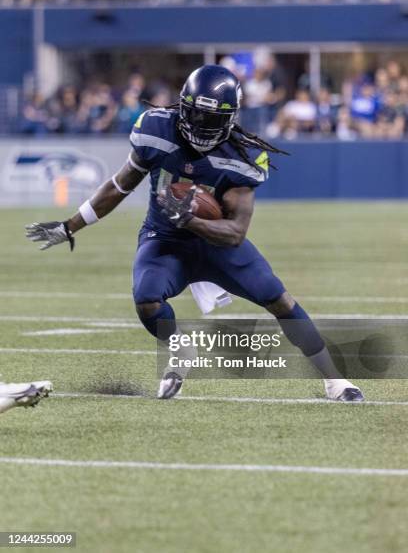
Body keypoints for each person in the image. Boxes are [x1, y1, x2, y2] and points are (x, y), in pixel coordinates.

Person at [26, 65, 364, 403]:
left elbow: (234, 233)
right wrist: (70, 226)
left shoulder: (242, 156)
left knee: (279, 299)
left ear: (231, 118)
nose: (201, 126)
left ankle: (335, 380)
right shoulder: (156, 128)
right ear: (182, 105)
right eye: (196, 115)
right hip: (164, 239)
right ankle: (180, 350)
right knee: (146, 298)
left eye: (211, 119)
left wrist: (190, 221)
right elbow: (119, 185)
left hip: (215, 245)